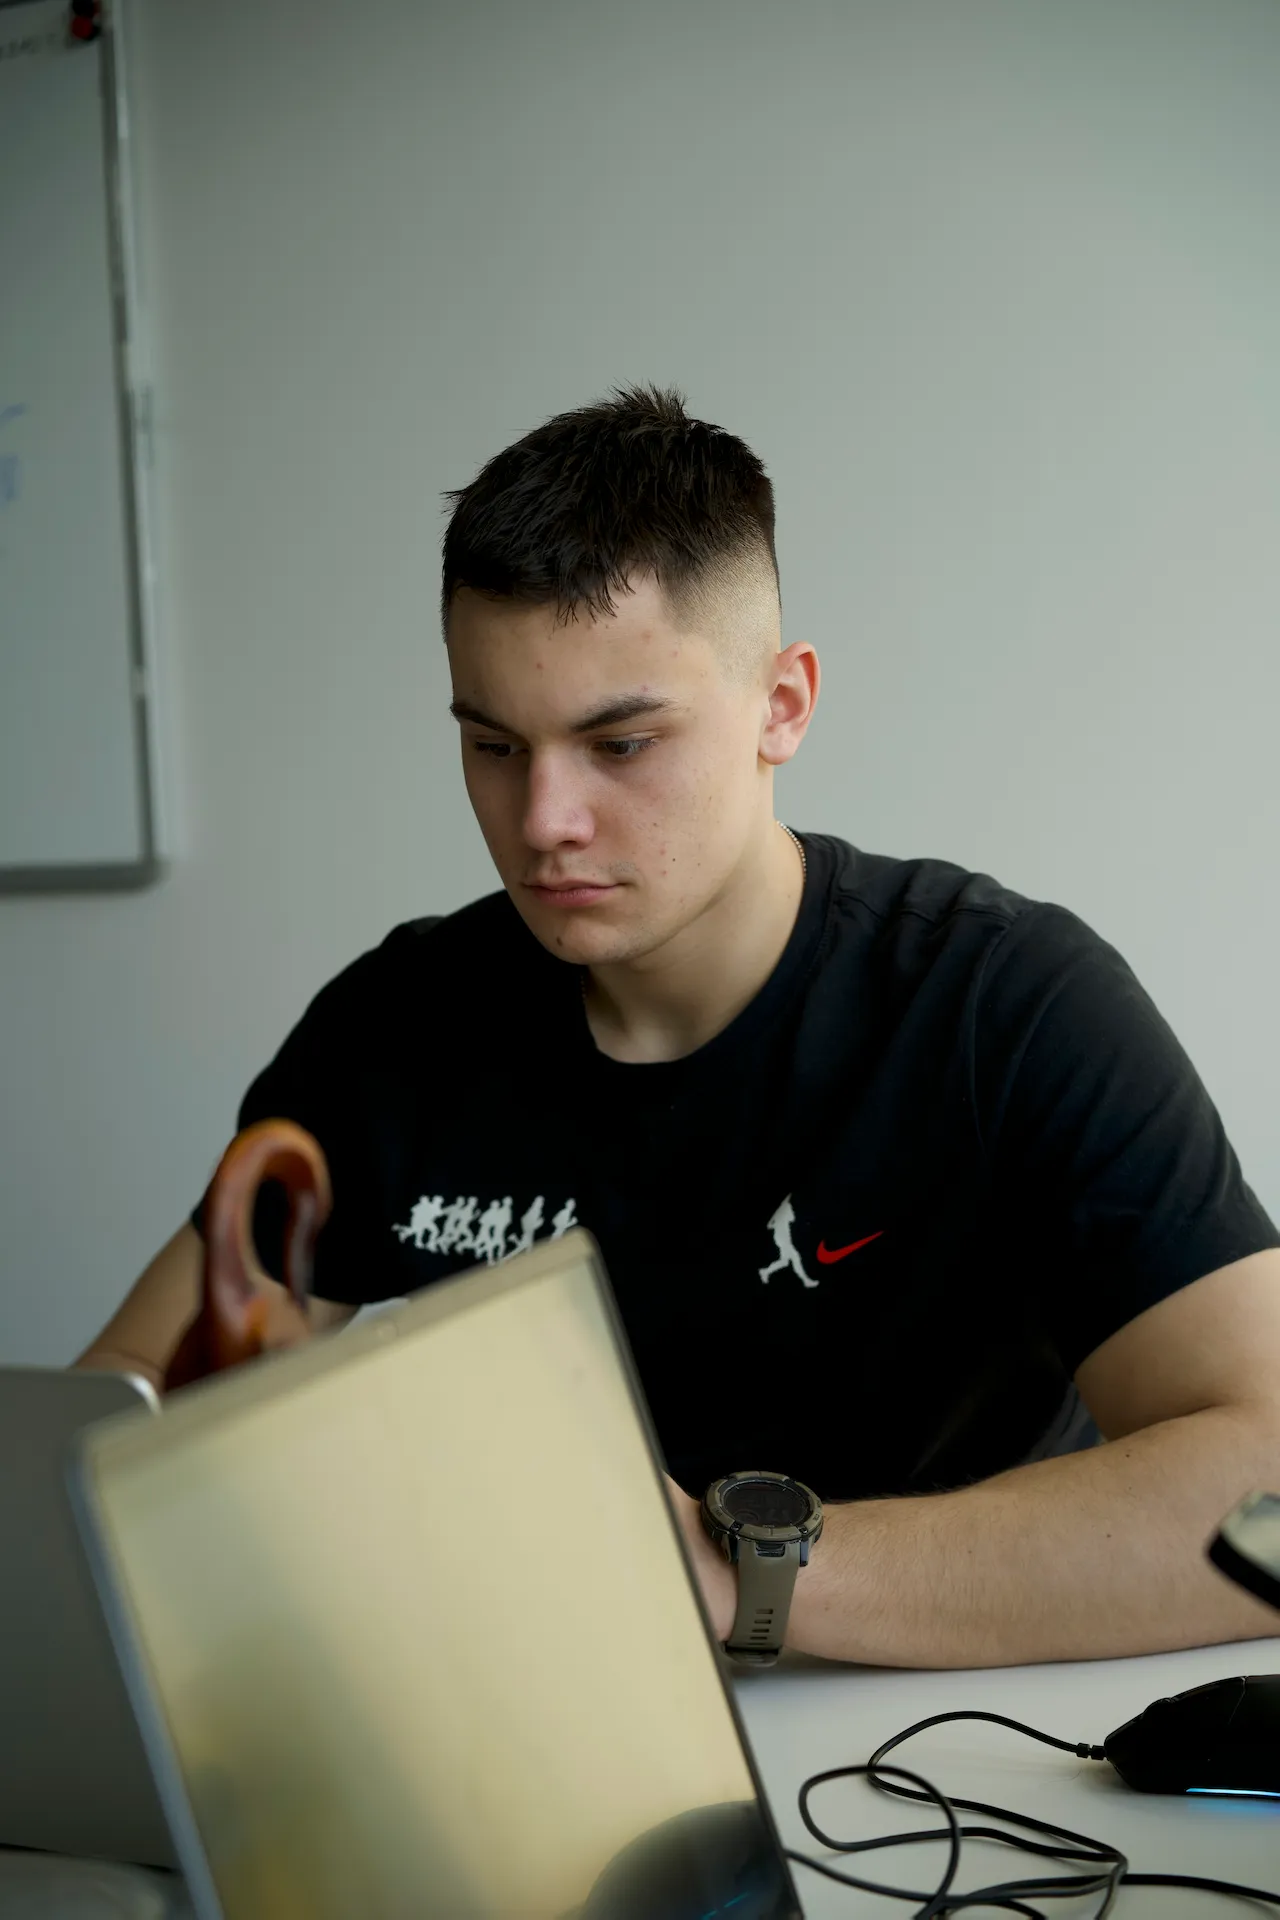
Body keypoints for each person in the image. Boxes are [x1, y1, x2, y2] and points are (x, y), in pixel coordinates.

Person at [77, 384, 1280, 1668]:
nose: (541, 821)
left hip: (960, 1762)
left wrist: (731, 1574)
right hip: (546, 1748)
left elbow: (1261, 1494)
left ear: (781, 706)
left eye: (621, 743)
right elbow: (111, 1452)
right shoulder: (396, 1028)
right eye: (492, 744)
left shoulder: (1007, 1006)